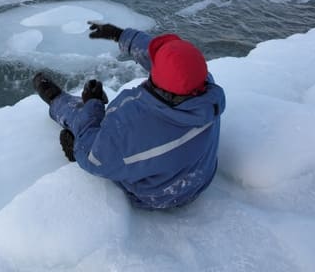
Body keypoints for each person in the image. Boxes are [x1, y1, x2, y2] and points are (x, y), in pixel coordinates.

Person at [32, 21, 225, 210]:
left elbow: (95, 160)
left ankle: (58, 103)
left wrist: (93, 103)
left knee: (88, 131)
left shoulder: (133, 125)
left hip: (157, 195)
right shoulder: (204, 90)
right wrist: (120, 35)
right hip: (200, 177)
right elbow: (169, 64)